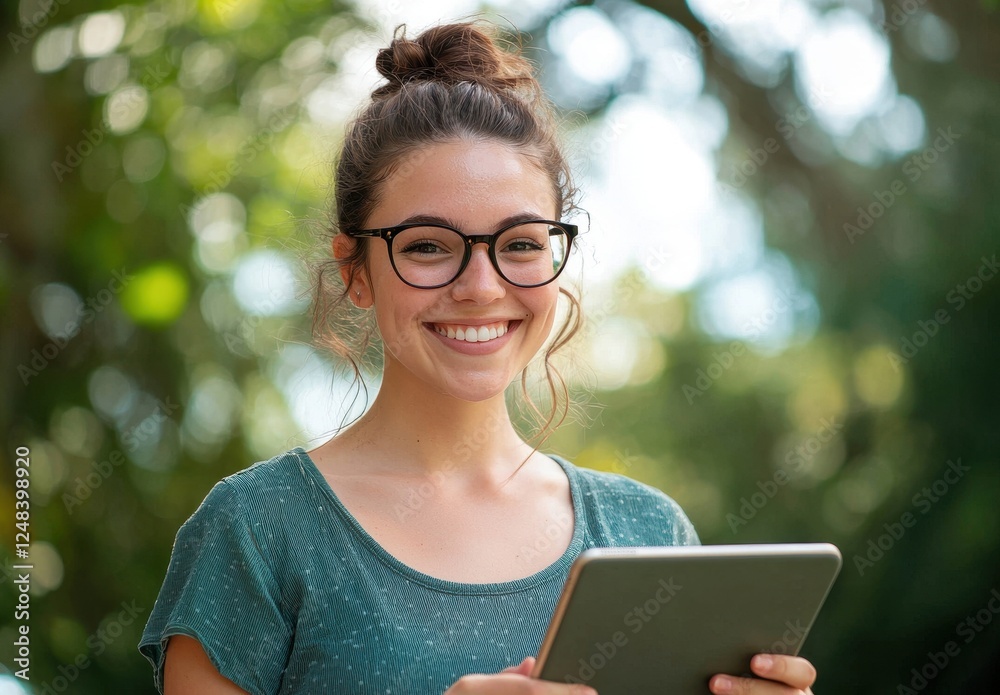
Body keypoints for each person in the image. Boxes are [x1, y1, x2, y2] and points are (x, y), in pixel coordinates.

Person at [138, 21, 820, 695]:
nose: (481, 288)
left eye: (521, 244)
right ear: (356, 270)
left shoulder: (649, 534)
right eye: (428, 246)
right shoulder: (256, 531)